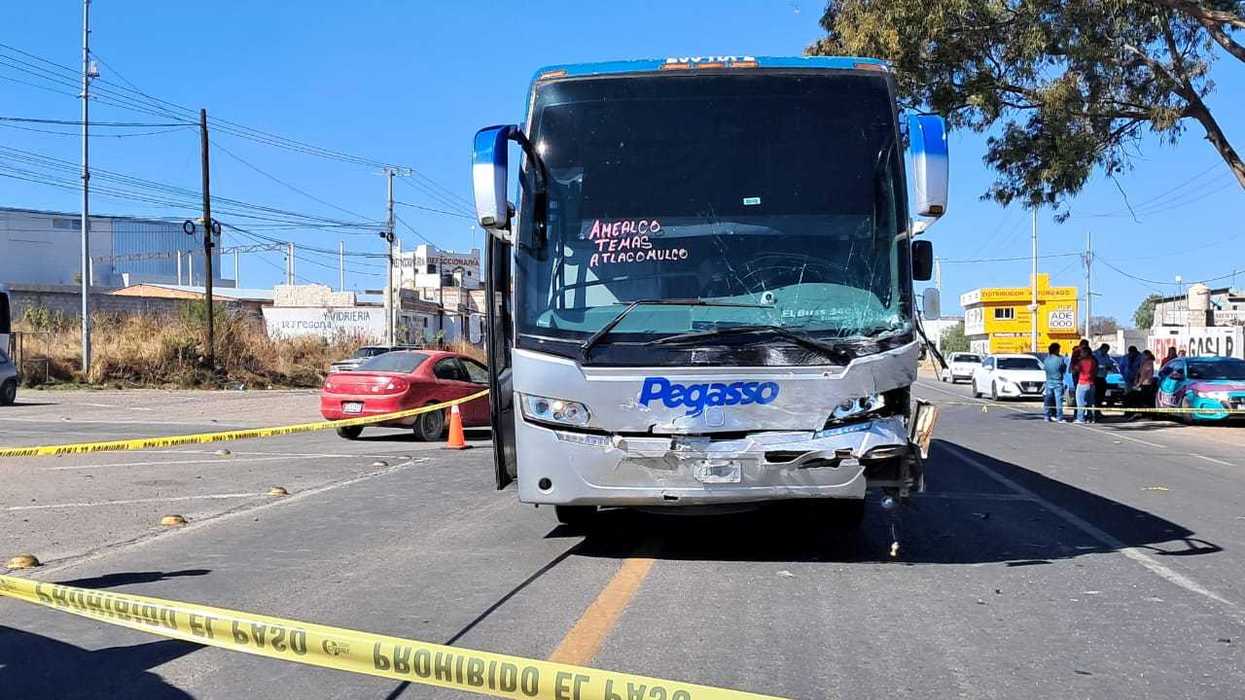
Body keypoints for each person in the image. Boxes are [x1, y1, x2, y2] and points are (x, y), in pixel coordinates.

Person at [1042, 342, 1067, 422]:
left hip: (1049, 381)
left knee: (1048, 399)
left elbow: (1045, 368)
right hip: (1058, 381)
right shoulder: (1060, 359)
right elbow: (1063, 369)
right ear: (1056, 350)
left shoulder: (1046, 359)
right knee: (1058, 400)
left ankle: (1046, 415)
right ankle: (1059, 416)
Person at [1074, 346, 1098, 424]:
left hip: (1082, 383)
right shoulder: (1093, 361)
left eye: (1082, 352)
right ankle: (1091, 418)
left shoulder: (1081, 362)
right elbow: (1095, 371)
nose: (1080, 354)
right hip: (1091, 383)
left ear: (1085, 353)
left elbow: (1075, 370)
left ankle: (1080, 418)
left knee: (1080, 402)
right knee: (1090, 402)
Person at [1092, 343, 1111, 417]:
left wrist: (1108, 367)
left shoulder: (1106, 356)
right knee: (1095, 396)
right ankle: (1094, 412)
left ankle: (1098, 411)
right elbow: (1093, 365)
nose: (1106, 352)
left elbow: (1109, 364)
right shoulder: (1095, 354)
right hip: (1095, 377)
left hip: (1103, 377)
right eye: (1106, 350)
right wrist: (1101, 367)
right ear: (1102, 348)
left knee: (1101, 396)